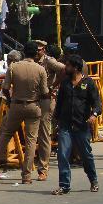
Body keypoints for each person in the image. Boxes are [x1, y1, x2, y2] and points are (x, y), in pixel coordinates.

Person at [0, 41, 49, 183]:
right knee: (31, 140)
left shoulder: (13, 67)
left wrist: (10, 99)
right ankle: (26, 175)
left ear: (24, 52)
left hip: (16, 105)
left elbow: (6, 88)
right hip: (33, 106)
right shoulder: (40, 69)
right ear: (36, 54)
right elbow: (45, 92)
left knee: (5, 136)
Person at [53, 55, 100, 194]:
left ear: (76, 68)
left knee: (86, 155)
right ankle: (64, 185)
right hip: (65, 125)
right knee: (63, 154)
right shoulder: (65, 83)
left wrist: (94, 115)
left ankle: (93, 180)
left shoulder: (89, 83)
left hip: (81, 125)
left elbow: (97, 104)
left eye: (68, 65)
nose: (65, 68)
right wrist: (56, 122)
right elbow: (59, 104)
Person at [35, 40, 66, 179]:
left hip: (46, 100)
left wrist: (53, 86)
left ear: (44, 50)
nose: (37, 52)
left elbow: (64, 70)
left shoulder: (49, 61)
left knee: (44, 134)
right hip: (32, 100)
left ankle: (43, 168)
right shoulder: (30, 60)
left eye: (39, 50)